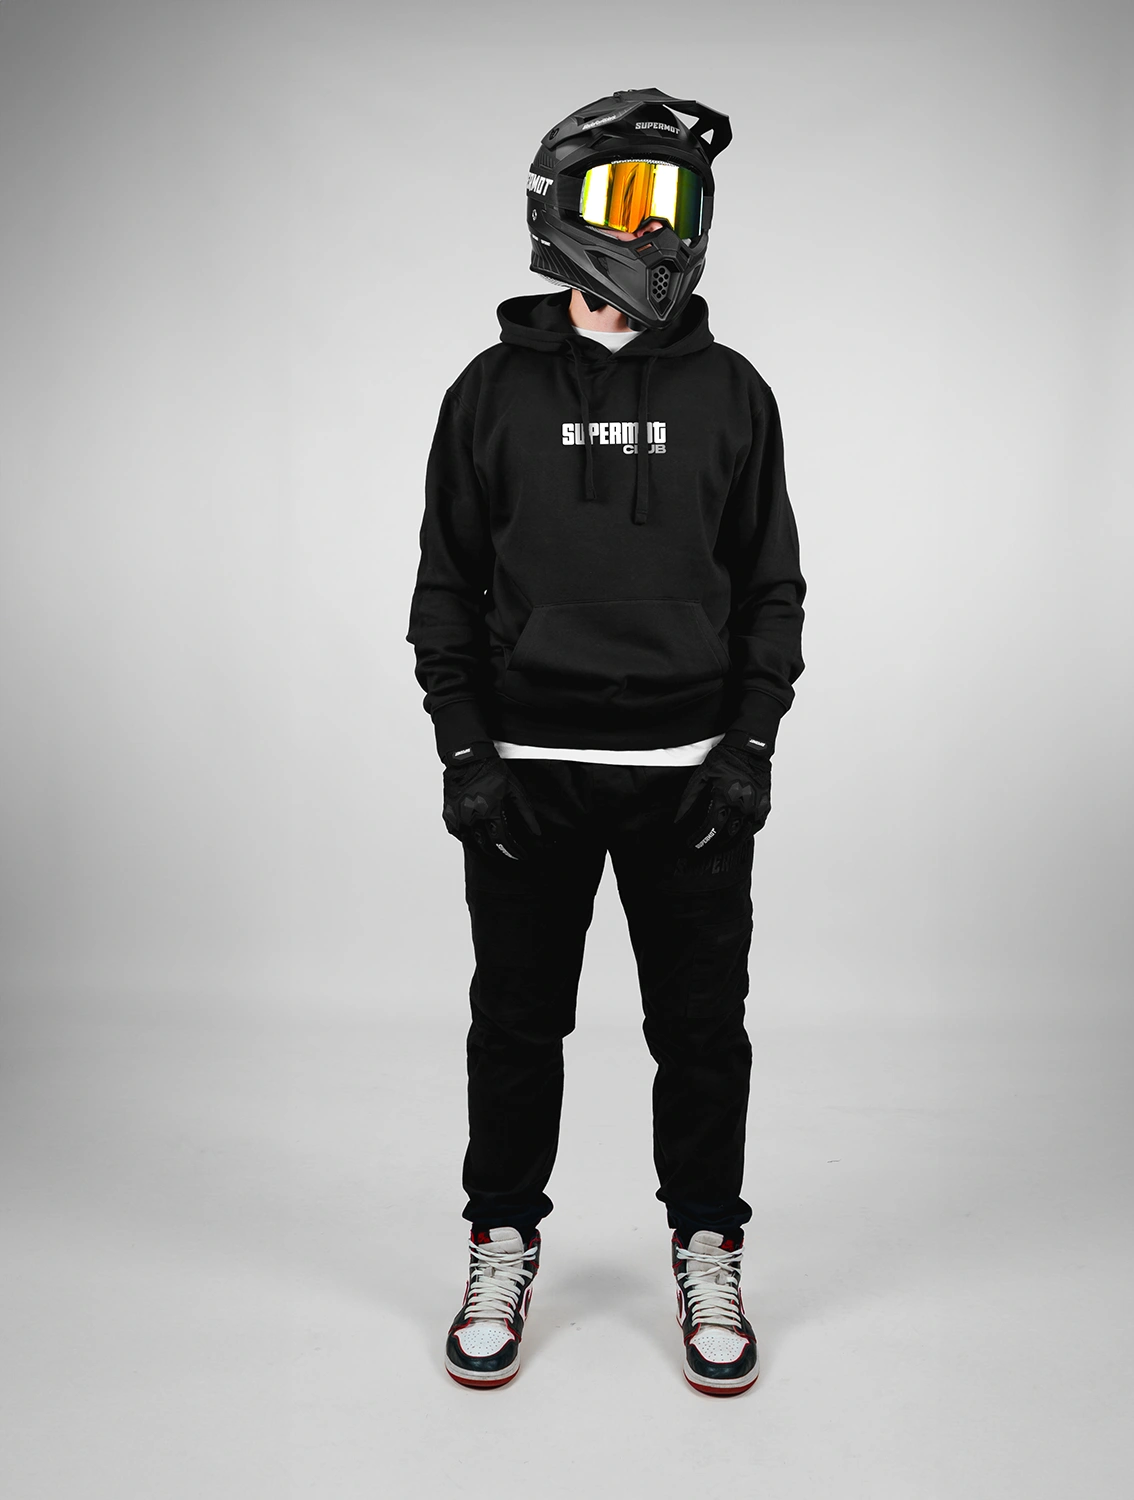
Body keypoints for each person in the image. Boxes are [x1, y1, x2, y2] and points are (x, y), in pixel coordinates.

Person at [406, 87, 806, 1396]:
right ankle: (500, 1241)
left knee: (703, 1034)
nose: (659, 230)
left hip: (690, 780)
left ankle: (708, 1247)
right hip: (531, 780)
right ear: (561, 209)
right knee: (515, 1029)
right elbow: (446, 587)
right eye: (631, 199)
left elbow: (772, 588)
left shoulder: (733, 392)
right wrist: (466, 749)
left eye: (677, 202)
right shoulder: (488, 393)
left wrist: (750, 742)